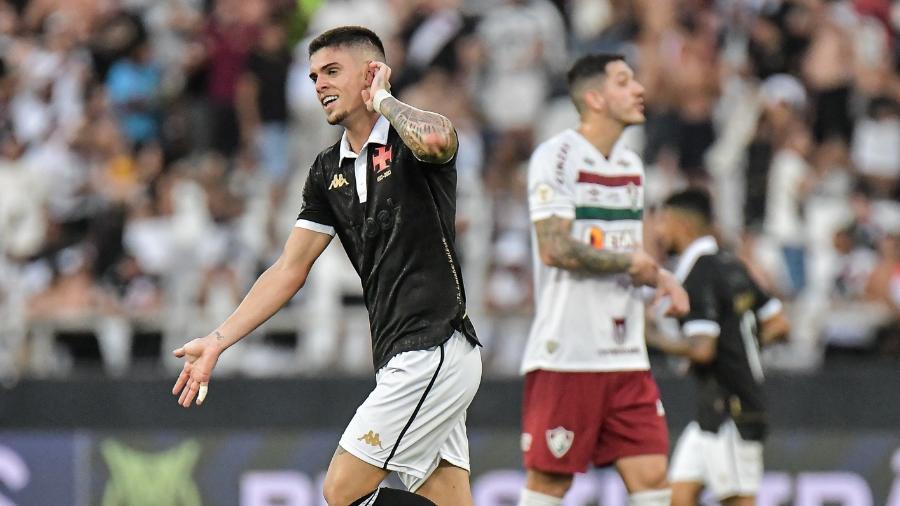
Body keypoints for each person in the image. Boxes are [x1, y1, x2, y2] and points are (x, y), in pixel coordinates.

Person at [170, 26, 482, 506]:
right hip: (398, 353)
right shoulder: (326, 171)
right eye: (314, 75)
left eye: (333, 71)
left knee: (342, 491)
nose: (319, 85)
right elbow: (288, 270)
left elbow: (439, 141)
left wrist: (384, 101)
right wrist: (217, 341)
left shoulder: (409, 139)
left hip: (433, 346)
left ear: (372, 73)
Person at [518, 53, 689, 506]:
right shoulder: (556, 157)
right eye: (623, 81)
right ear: (594, 98)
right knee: (550, 483)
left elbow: (631, 254)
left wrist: (661, 279)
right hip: (568, 355)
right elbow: (553, 248)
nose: (638, 89)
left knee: (652, 476)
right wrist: (630, 265)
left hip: (627, 356)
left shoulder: (633, 166)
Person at [649, 189, 790, 506]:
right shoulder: (732, 265)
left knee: (737, 501)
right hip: (712, 412)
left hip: (731, 409)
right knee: (679, 497)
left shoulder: (699, 275)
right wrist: (739, 347)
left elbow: (703, 350)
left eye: (662, 222)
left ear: (680, 224)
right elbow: (779, 323)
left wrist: (651, 338)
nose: (658, 231)